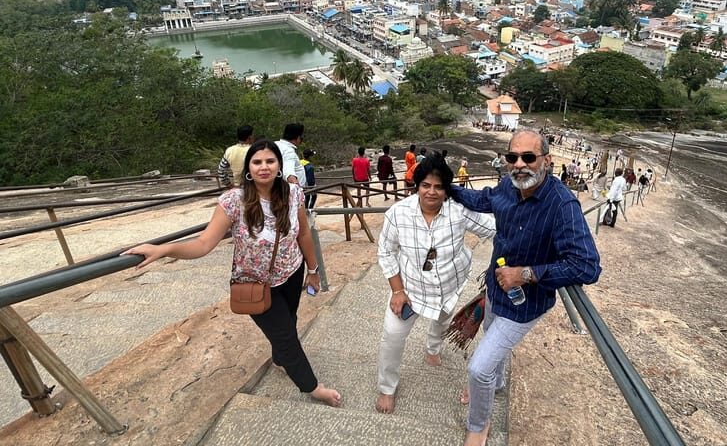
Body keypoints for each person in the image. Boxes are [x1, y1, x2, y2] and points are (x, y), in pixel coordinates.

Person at [122, 139, 341, 407]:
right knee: (286, 335)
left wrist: (313, 269)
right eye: (257, 162)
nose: (264, 167)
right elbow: (203, 244)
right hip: (254, 284)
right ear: (248, 167)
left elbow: (304, 233)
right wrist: (165, 249)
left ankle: (280, 359)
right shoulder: (234, 201)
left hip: (292, 273)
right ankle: (312, 386)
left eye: (270, 161)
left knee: (289, 321)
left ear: (279, 166)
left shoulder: (293, 193)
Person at [449, 130, 601, 446]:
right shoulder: (507, 186)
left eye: (528, 157)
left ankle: (479, 425)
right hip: (494, 288)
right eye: (512, 157)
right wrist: (444, 188)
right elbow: (483, 198)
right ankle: (494, 385)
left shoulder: (562, 205)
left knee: (478, 369)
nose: (519, 164)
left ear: (546, 160)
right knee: (491, 362)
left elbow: (586, 266)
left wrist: (527, 274)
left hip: (524, 305)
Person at [375, 153, 496, 415]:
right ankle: (387, 386)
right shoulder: (398, 213)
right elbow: (385, 252)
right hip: (412, 288)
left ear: (447, 189)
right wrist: (397, 290)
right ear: (416, 186)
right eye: (426, 185)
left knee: (443, 318)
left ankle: (433, 348)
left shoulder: (458, 211)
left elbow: (494, 228)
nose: (432, 192)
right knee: (392, 336)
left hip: (449, 284)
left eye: (439, 186)